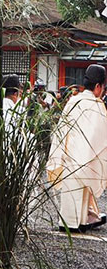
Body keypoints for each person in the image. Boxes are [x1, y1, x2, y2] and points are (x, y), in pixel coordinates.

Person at [47, 64, 107, 233]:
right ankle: (81, 222)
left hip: (68, 158)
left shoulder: (73, 101)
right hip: (86, 160)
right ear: (98, 86)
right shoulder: (96, 105)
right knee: (84, 190)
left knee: (71, 194)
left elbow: (61, 131)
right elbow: (101, 137)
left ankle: (69, 222)